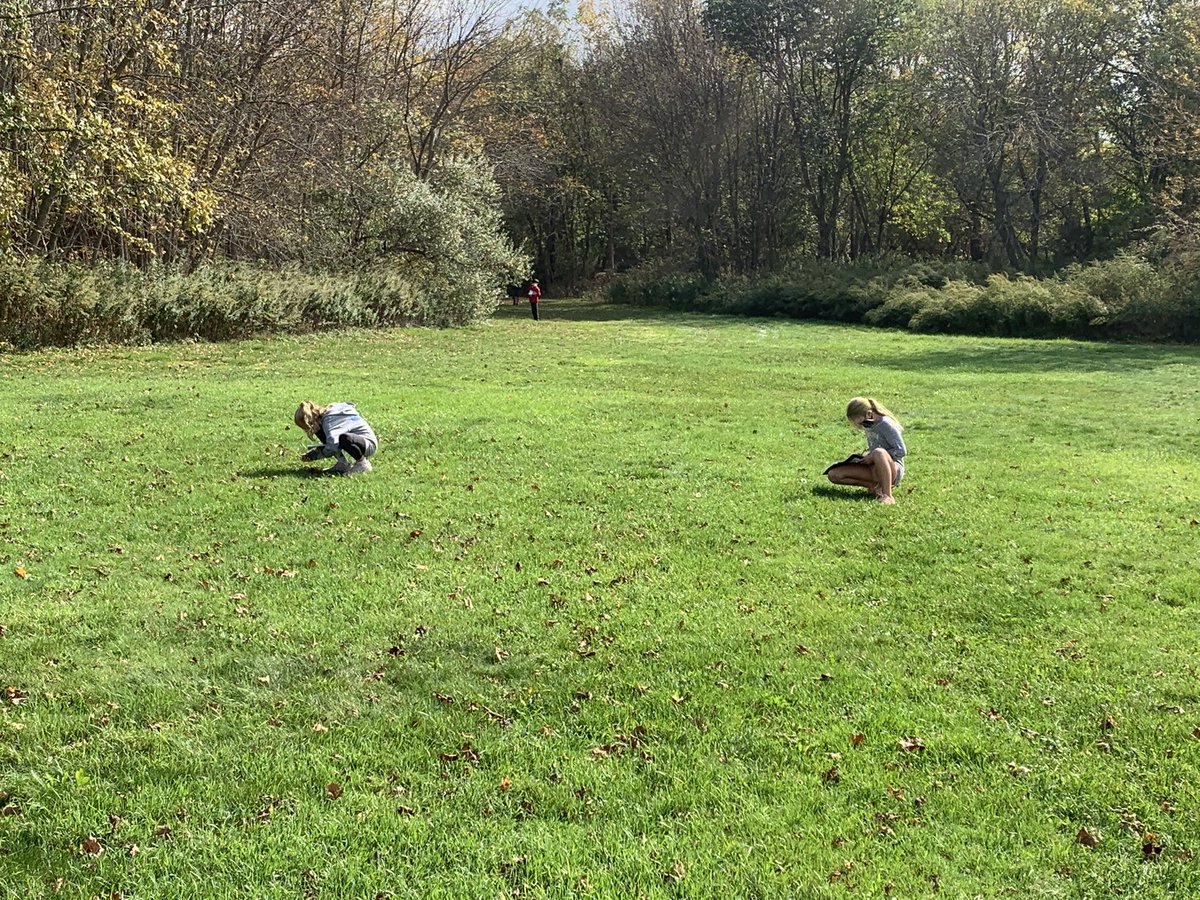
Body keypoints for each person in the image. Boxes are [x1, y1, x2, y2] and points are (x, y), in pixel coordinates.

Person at [824, 397, 906, 504]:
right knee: (834, 474)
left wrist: (874, 456)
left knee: (879, 452)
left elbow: (901, 451)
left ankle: (888, 495)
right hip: (874, 466)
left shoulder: (885, 424)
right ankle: (875, 487)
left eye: (862, 423)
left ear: (869, 414)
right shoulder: (870, 425)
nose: (862, 426)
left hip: (893, 469)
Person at [294, 400, 377, 475]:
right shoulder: (329, 413)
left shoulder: (329, 420)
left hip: (368, 444)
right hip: (358, 440)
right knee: (320, 431)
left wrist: (316, 455)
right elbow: (331, 441)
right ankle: (342, 463)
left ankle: (363, 464)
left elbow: (332, 446)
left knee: (344, 438)